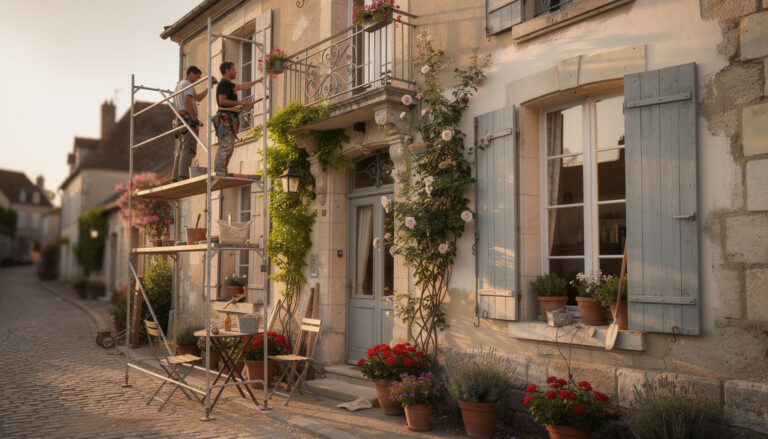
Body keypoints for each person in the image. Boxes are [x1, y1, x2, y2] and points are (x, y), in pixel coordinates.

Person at [214, 61, 263, 175]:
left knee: (229, 147)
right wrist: (240, 102)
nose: (235, 71)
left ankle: (222, 171)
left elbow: (243, 86)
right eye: (233, 69)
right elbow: (222, 101)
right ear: (227, 70)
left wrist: (257, 81)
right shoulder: (224, 84)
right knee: (226, 146)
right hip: (225, 119)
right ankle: (220, 171)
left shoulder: (229, 85)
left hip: (227, 119)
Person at [171, 66, 210, 182]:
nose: (197, 80)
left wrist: (209, 88)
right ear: (192, 74)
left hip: (179, 120)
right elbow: (188, 101)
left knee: (180, 151)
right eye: (197, 77)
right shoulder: (188, 84)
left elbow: (197, 98)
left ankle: (175, 178)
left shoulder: (179, 86)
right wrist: (194, 120)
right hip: (187, 119)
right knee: (188, 149)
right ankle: (183, 176)